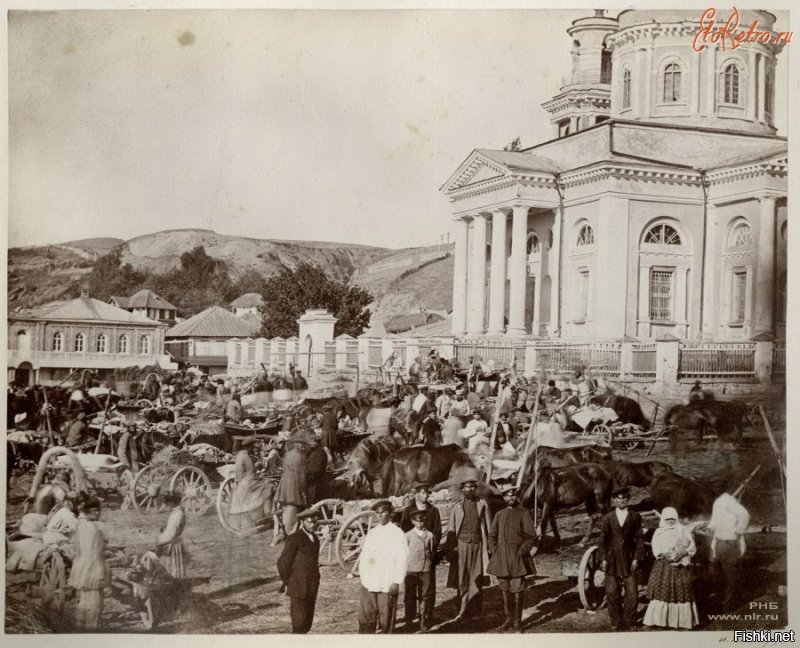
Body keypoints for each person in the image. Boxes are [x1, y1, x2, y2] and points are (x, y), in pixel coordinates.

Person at [487, 484, 538, 632]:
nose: (511, 498)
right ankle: (508, 620)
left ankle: (517, 622)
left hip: (517, 558)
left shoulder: (524, 513)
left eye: (514, 495)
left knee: (517, 589)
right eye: (508, 495)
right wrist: (494, 550)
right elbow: (492, 535)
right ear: (504, 498)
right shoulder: (499, 514)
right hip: (501, 558)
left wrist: (521, 551)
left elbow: (531, 537)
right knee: (504, 588)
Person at [446, 468, 491, 621]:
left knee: (476, 577)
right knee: (462, 577)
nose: (470, 489)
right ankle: (461, 609)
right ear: (462, 490)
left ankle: (475, 609)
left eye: (473, 486)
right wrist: (451, 549)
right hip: (461, 545)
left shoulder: (482, 505)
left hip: (478, 545)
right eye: (467, 487)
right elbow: (451, 530)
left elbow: (489, 527)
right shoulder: (456, 508)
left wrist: (490, 547)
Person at [643, 507, 699, 629]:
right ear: (663, 519)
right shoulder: (659, 531)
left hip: (680, 566)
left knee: (681, 591)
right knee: (662, 590)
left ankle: (683, 622)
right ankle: (660, 620)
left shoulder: (683, 530)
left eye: (672, 519)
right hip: (663, 565)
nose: (670, 522)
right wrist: (662, 554)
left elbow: (691, 546)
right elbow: (655, 546)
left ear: (676, 518)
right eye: (667, 519)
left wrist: (683, 553)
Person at [358, 500, 409, 634]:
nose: (380, 516)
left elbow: (402, 559)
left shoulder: (397, 533)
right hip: (370, 581)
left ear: (391, 514)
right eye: (377, 513)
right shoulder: (373, 533)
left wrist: (396, 581)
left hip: (387, 583)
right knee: (366, 617)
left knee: (386, 618)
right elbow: (365, 557)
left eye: (383, 513)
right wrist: (364, 577)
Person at [598, 487, 645, 631]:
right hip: (612, 559)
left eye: (624, 499)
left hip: (630, 559)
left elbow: (640, 539)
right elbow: (602, 540)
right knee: (612, 591)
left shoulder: (635, 516)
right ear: (614, 500)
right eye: (618, 499)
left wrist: (637, 558)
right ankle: (616, 620)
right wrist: (603, 559)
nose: (621, 501)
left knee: (632, 592)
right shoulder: (607, 518)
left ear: (628, 500)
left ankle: (629, 620)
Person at [400, 482, 442, 625]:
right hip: (412, 557)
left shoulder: (433, 510)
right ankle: (409, 618)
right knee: (410, 590)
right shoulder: (408, 511)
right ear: (416, 494)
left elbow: (437, 532)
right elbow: (404, 531)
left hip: (427, 555)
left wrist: (430, 549)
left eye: (427, 493)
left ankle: (427, 615)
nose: (425, 496)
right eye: (422, 493)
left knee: (428, 589)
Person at [68, 495, 110, 631]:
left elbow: (76, 548)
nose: (97, 513)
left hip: (82, 565)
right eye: (94, 511)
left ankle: (80, 624)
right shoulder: (93, 528)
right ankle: (92, 627)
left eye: (98, 510)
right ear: (87, 511)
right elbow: (98, 549)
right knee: (96, 600)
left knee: (85, 597)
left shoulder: (80, 525)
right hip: (94, 565)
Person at [277, 507, 321, 634]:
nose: (313, 525)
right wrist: (288, 581)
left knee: (307, 622)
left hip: (312, 585)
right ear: (302, 522)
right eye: (309, 522)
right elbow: (282, 563)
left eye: (315, 522)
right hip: (298, 586)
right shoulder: (294, 539)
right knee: (299, 623)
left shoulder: (315, 539)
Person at [707, 492, 750, 611]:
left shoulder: (731, 505)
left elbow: (744, 517)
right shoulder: (719, 509)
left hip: (730, 544)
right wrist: (714, 551)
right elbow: (715, 528)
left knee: (732, 576)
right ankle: (722, 599)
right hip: (719, 543)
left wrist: (738, 532)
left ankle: (730, 605)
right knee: (718, 573)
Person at [404, 509, 436, 631]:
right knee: (410, 595)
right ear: (413, 522)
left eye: (423, 520)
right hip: (411, 570)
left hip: (425, 569)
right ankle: (409, 620)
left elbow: (432, 551)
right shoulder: (408, 536)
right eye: (418, 521)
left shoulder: (430, 535)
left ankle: (423, 618)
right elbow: (405, 552)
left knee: (425, 594)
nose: (421, 523)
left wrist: (428, 562)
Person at [275, 432, 310, 539]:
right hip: (294, 483)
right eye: (302, 445)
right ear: (298, 445)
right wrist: (304, 491)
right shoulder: (301, 456)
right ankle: (291, 531)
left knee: (286, 506)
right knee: (293, 506)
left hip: (285, 482)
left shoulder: (288, 454)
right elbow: (302, 475)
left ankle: (284, 528)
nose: (303, 447)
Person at [156, 491, 187, 579]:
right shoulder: (175, 512)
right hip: (171, 541)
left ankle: (173, 582)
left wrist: (160, 541)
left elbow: (172, 533)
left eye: (168, 503)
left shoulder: (178, 514)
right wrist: (165, 528)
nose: (167, 506)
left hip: (172, 543)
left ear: (172, 503)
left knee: (171, 564)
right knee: (171, 565)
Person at [305, 435, 328, 504]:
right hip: (316, 481)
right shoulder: (316, 451)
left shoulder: (319, 453)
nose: (309, 443)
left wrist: (305, 474)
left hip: (316, 483)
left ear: (317, 442)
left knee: (315, 502)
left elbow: (316, 470)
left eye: (311, 441)